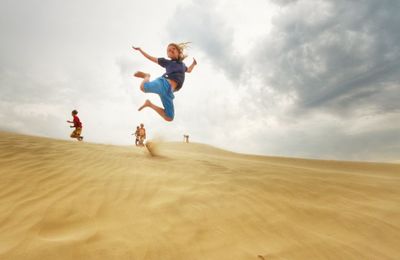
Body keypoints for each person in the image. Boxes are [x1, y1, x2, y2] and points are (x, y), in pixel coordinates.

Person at [132, 42, 197, 121]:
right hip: (163, 83)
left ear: (179, 52)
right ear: (168, 55)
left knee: (169, 117)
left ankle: (149, 104)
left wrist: (193, 64)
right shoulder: (167, 62)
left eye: (173, 49)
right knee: (142, 87)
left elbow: (189, 70)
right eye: (168, 50)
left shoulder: (183, 66)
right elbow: (151, 58)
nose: (171, 50)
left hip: (169, 93)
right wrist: (140, 50)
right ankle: (147, 76)